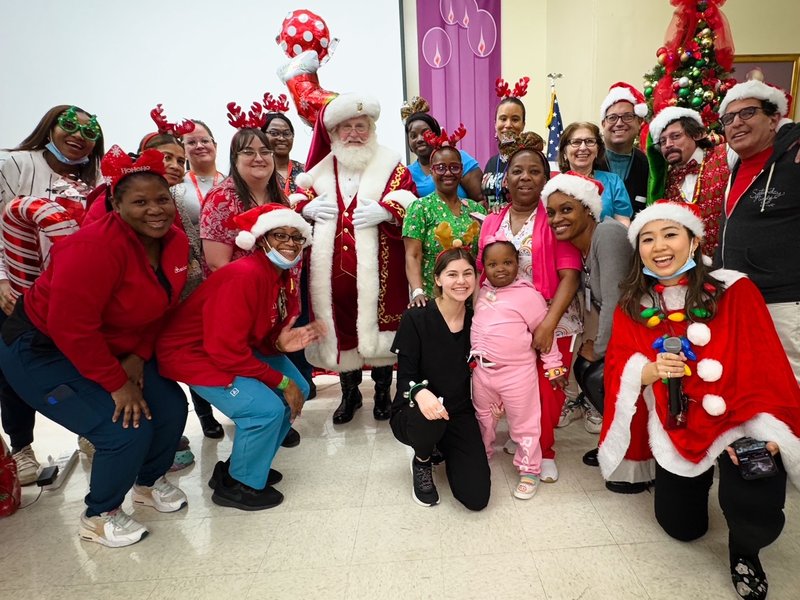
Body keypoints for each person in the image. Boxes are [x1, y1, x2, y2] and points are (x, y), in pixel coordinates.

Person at [599, 200, 800, 600]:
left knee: (757, 512)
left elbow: (768, 363)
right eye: (648, 239)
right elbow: (620, 363)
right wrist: (650, 370)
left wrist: (771, 426)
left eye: (670, 234)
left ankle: (745, 551)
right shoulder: (634, 303)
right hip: (679, 425)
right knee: (682, 528)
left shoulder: (735, 289)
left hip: (743, 419)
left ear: (693, 241)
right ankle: (700, 477)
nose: (659, 246)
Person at [0, 146, 190, 547]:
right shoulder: (93, 247)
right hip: (42, 348)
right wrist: (116, 383)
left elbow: (160, 307)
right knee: (123, 426)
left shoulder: (173, 242)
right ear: (116, 205)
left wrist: (137, 356)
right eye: (139, 202)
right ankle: (99, 515)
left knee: (171, 406)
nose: (155, 209)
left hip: (115, 345)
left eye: (161, 199)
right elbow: (70, 327)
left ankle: (147, 483)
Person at [157, 204, 324, 511]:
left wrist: (280, 343)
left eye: (296, 237)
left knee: (298, 389)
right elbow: (224, 350)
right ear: (261, 240)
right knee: (265, 410)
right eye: (280, 235)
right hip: (195, 354)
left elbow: (260, 334)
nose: (289, 242)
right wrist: (279, 379)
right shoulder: (245, 275)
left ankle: (244, 466)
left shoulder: (281, 276)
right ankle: (239, 486)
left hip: (237, 348)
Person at [292, 93, 417, 424]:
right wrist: (304, 206)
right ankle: (349, 394)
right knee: (341, 331)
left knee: (379, 331)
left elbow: (409, 199)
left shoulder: (391, 164)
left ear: (372, 128)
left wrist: (388, 210)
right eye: (347, 127)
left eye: (361, 126)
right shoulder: (317, 171)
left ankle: (380, 393)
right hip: (331, 276)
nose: (354, 133)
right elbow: (294, 199)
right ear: (333, 133)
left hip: (381, 273)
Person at [0, 104, 104, 485]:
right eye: (70, 126)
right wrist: (1, 279)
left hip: (73, 292)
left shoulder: (93, 178)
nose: (79, 135)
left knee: (82, 361)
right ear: (49, 126)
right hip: (17, 288)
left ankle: (90, 431)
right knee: (15, 371)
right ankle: (22, 446)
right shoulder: (13, 164)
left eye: (89, 130)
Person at [477, 132, 582, 483]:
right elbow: (483, 273)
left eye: (534, 171)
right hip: (508, 323)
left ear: (545, 177)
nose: (525, 177)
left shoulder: (554, 218)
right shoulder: (492, 221)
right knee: (513, 387)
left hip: (555, 318)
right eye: (517, 171)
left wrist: (549, 324)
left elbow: (570, 275)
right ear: (504, 179)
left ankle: (546, 451)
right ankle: (525, 439)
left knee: (547, 389)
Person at [543, 172, 649, 493]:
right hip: (626, 328)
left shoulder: (608, 234)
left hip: (644, 330)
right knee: (584, 368)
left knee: (592, 372)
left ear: (588, 209)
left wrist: (599, 348)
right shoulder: (584, 246)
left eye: (567, 209)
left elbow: (618, 300)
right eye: (551, 212)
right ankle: (617, 443)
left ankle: (638, 456)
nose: (557, 218)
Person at [390, 247, 490, 510]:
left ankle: (442, 445)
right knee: (428, 417)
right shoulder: (416, 317)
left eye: (468, 273)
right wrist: (421, 393)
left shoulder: (477, 320)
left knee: (476, 497)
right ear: (437, 279)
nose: (461, 281)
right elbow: (404, 378)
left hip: (459, 411)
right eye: (452, 274)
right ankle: (422, 459)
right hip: (415, 412)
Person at [714, 80, 800, 385]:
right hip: (739, 300)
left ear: (774, 118)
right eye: (729, 118)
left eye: (748, 113)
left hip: (783, 303)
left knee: (789, 385)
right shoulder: (737, 165)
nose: (736, 123)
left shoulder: (793, 157)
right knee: (756, 385)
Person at [471, 237, 567, 500]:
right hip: (482, 372)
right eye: (493, 264)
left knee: (525, 424)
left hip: (516, 373)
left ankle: (529, 470)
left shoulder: (528, 295)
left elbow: (545, 334)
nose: (500, 268)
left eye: (507, 262)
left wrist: (553, 365)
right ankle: (482, 454)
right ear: (484, 267)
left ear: (518, 264)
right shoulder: (480, 290)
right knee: (483, 418)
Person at [261, 100, 316, 400]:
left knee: (300, 315)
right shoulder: (260, 171)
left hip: (303, 258)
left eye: (286, 133)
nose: (281, 138)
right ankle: (277, 378)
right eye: (274, 132)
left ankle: (303, 375)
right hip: (267, 259)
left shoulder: (304, 170)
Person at [403, 126, 485, 305]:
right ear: (432, 171)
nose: (448, 173)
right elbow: (413, 255)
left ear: (461, 170)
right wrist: (417, 292)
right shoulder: (419, 208)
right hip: (434, 301)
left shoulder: (475, 210)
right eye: (440, 168)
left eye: (454, 167)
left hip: (473, 300)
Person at [201, 123, 288, 273]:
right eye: (248, 152)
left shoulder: (280, 197)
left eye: (265, 152)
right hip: (239, 290)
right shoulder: (222, 199)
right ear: (235, 159)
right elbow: (217, 265)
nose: (259, 158)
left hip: (279, 291)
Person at [647, 106, 727, 256]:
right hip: (692, 269)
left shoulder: (724, 155)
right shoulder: (666, 181)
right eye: (662, 141)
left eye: (675, 136)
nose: (668, 145)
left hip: (730, 262)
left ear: (696, 135)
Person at [401, 96, 485, 204]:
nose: (419, 139)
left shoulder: (460, 158)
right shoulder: (407, 174)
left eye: (425, 133)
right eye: (413, 136)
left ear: (437, 134)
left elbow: (481, 200)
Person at [558, 121, 633, 225]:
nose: (583, 148)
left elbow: (623, 224)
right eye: (576, 142)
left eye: (589, 141)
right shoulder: (555, 185)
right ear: (564, 152)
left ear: (597, 150)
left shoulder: (613, 182)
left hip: (606, 240)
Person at [598, 82, 650, 214]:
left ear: (639, 122)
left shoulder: (647, 165)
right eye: (612, 118)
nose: (619, 123)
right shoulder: (591, 160)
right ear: (603, 124)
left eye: (627, 117)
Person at [481, 78, 529, 209]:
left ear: (523, 125)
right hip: (492, 226)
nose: (508, 125)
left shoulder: (532, 160)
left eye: (515, 119)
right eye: (503, 119)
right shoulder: (491, 162)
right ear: (495, 124)